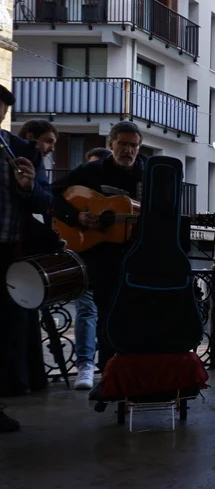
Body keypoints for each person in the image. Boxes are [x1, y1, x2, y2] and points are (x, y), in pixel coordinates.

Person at [51, 121, 148, 399]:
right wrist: (76, 216)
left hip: (137, 256)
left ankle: (135, 377)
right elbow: (53, 193)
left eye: (133, 145)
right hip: (100, 255)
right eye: (123, 144)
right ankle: (109, 377)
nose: (128, 150)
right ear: (111, 144)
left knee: (136, 317)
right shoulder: (90, 172)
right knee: (107, 316)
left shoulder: (147, 174)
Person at [0, 84, 54, 424]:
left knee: (7, 331)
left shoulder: (19, 150)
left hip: (9, 253)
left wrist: (29, 186)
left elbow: (46, 202)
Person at [63, 147, 112, 390]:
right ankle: (85, 365)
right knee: (86, 311)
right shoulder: (77, 195)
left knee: (99, 313)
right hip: (84, 258)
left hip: (108, 260)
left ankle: (106, 366)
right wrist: (77, 217)